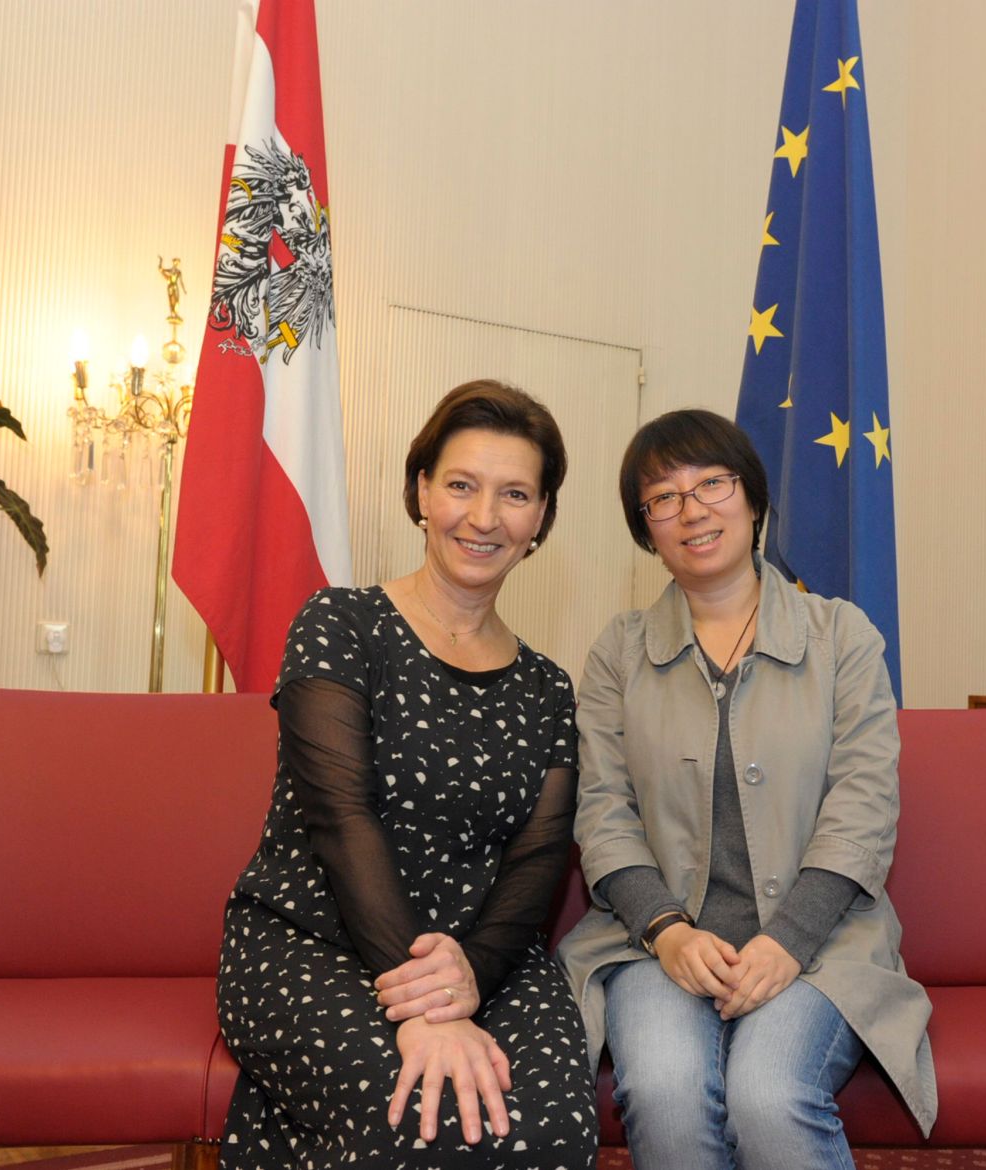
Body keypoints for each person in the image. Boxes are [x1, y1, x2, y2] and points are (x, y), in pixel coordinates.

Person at [217, 380, 598, 1170]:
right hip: (316, 942)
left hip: (487, 959)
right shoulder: (340, 624)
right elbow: (340, 817)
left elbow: (537, 862)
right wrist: (421, 1003)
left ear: (541, 521)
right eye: (461, 485)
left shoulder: (550, 688)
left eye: (515, 494)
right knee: (427, 1121)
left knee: (553, 1129)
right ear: (421, 490)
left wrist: (468, 980)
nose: (484, 517)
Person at [557, 409, 936, 1169]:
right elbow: (602, 814)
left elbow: (863, 807)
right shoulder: (618, 653)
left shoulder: (842, 637)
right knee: (663, 1091)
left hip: (819, 943)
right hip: (655, 945)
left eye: (712, 484)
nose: (691, 510)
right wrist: (667, 930)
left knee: (768, 1095)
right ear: (647, 529)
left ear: (754, 500)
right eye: (662, 497)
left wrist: (787, 941)